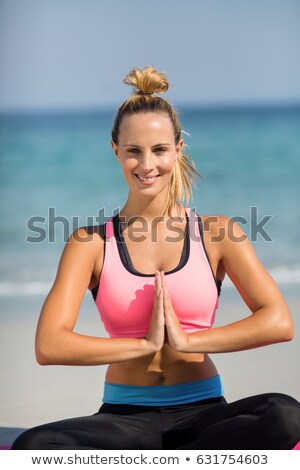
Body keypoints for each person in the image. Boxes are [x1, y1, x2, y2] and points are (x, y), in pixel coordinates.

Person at [12, 66, 300, 450]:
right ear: (116, 150)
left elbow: (278, 321)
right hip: (123, 418)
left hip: (205, 414)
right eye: (134, 151)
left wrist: (187, 340)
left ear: (177, 149)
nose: (147, 165)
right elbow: (49, 345)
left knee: (285, 414)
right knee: (36, 445)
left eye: (159, 150)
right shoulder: (90, 243)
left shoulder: (217, 233)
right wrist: (143, 344)